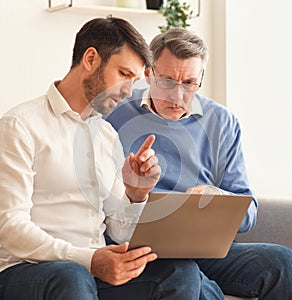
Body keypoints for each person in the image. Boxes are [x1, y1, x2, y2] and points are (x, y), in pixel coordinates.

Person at [0, 17, 217, 300]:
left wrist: (136, 194)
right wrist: (87, 260)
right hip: (28, 271)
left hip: (91, 271)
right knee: (72, 275)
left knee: (179, 272)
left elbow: (119, 229)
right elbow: (10, 227)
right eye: (124, 74)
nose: (129, 91)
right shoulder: (20, 125)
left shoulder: (106, 135)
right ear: (91, 59)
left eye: (135, 80)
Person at [105, 27, 292, 299]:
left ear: (200, 80)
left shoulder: (223, 122)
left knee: (283, 262)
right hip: (141, 251)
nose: (177, 95)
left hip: (207, 250)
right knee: (187, 277)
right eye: (167, 81)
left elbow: (248, 211)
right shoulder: (114, 118)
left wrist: (216, 197)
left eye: (188, 83)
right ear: (148, 74)